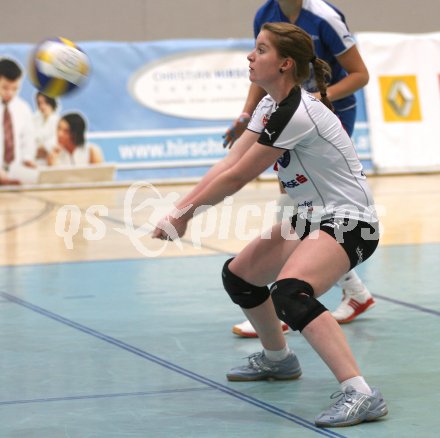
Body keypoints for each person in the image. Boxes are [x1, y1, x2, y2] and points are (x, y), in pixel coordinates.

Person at [153, 22, 388, 427]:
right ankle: (279, 360)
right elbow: (228, 162)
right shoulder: (269, 105)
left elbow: (237, 177)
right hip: (310, 215)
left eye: (260, 50)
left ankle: (361, 394)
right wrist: (179, 207)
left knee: (292, 294)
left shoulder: (298, 113)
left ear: (284, 64)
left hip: (352, 221)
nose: (250, 56)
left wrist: (184, 214)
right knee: (240, 276)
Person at [224, 0, 375, 335]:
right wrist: (247, 115)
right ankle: (353, 291)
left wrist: (318, 101)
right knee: (296, 197)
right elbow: (265, 70)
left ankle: (291, 297)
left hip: (325, 114)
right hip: (289, 111)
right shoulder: (266, 14)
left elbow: (360, 74)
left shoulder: (325, 17)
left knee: (307, 203)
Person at [0, 58, 36, 185]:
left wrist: (27, 159)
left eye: (15, 89)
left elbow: (28, 139)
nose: (10, 93)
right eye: (5, 87)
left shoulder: (23, 108)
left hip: (15, 174)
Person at [33, 92, 59, 163]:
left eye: (45, 103)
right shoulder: (35, 120)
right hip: (34, 160)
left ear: (51, 103)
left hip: (49, 161)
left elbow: (53, 146)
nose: (42, 106)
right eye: (39, 103)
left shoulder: (57, 122)